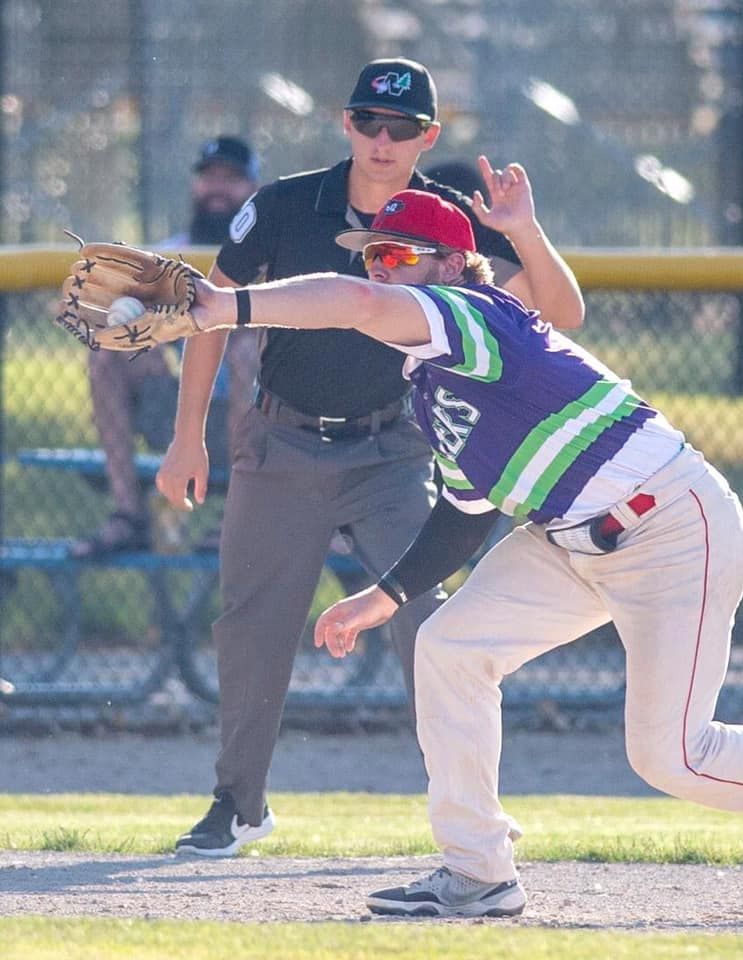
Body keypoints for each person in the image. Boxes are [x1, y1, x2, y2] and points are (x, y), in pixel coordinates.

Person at [174, 172, 743, 917]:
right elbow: (465, 509)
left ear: (453, 264)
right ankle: (479, 871)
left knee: (673, 756)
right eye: (372, 256)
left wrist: (224, 306)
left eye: (398, 255)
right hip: (566, 541)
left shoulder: (473, 314)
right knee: (449, 648)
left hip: (673, 528)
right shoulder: (432, 382)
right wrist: (384, 595)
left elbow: (355, 304)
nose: (379, 269)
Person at [159, 57, 584, 858]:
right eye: (368, 123)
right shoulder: (285, 206)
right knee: (253, 628)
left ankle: (470, 813)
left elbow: (564, 312)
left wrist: (523, 228)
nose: (383, 141)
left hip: (393, 448)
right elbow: (207, 316)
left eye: (403, 128)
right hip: (280, 443)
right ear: (346, 124)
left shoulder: (450, 221)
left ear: (429, 135)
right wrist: (189, 436)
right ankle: (238, 805)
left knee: (432, 623)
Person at [70, 136, 260, 558]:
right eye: (209, 177)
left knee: (246, 352)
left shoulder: (268, 254)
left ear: (252, 190)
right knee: (108, 351)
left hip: (256, 423)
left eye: (231, 179)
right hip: (178, 416)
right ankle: (128, 515)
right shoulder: (169, 256)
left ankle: (236, 519)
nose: (217, 188)